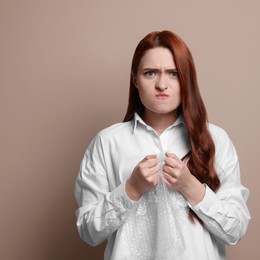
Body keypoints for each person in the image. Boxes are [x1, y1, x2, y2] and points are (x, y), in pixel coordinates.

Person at [75, 30, 250, 260]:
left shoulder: (216, 140)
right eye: (150, 73)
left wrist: (191, 188)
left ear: (186, 79)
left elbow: (235, 230)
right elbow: (88, 231)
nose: (161, 84)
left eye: (173, 73)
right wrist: (130, 190)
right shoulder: (107, 142)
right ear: (135, 79)